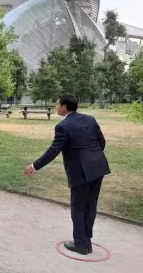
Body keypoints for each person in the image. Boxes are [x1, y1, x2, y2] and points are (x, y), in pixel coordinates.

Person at [24, 93, 110, 256]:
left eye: (57, 104)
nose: (56, 106)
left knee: (78, 208)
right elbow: (101, 142)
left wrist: (34, 166)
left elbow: (53, 150)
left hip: (81, 172)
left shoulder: (63, 126)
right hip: (98, 168)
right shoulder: (90, 119)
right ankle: (87, 242)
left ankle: (80, 244)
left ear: (64, 107)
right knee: (90, 206)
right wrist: (94, 158)